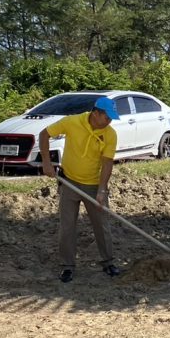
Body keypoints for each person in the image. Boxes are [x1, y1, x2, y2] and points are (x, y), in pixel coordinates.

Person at [40, 96, 121, 283]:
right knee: (67, 226)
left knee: (102, 224)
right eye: (107, 117)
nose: (109, 121)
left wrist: (102, 190)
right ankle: (67, 266)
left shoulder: (110, 134)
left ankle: (108, 262)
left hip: (94, 184)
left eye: (111, 118)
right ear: (96, 113)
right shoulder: (72, 122)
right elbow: (44, 134)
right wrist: (46, 162)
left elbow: (107, 163)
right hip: (68, 181)